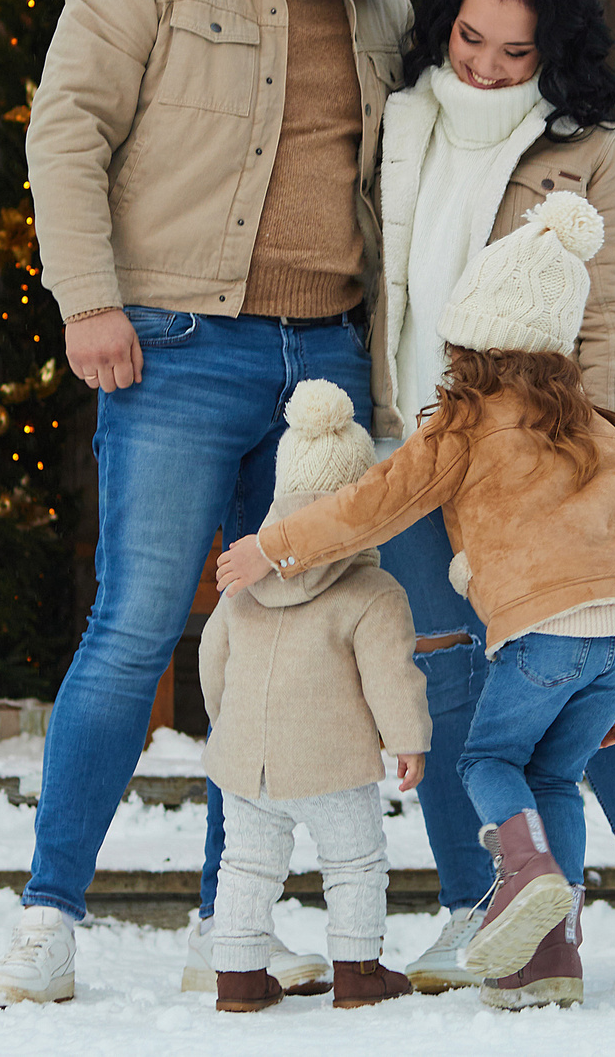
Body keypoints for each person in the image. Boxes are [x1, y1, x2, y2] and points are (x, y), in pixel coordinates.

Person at [0, 0, 413, 1010]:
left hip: (325, 362)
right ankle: (47, 918)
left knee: (285, 643)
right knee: (135, 627)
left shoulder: (383, 9)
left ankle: (229, 929)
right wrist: (86, 299)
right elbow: (66, 130)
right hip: (175, 345)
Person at [370, 0, 615, 998]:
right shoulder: (397, 123)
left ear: (554, 50)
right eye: (470, 39)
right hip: (418, 442)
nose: (483, 65)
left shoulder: (590, 151)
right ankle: (475, 907)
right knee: (451, 687)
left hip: (542, 463)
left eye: (513, 51)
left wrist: (595, 462)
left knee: (591, 677)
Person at [218, 191, 615, 1009]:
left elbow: (371, 504)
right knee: (556, 779)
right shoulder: (598, 425)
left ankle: (525, 869)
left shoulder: (462, 422)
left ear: (467, 334)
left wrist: (272, 546)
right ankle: (551, 961)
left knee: (490, 761)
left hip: (545, 630)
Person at [198, 381, 429, 1013]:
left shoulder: (240, 587)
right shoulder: (373, 592)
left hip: (250, 763)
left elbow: (210, 659)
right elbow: (391, 675)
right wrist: (408, 739)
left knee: (245, 864)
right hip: (334, 764)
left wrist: (228, 723)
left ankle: (238, 979)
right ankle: (358, 972)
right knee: (355, 863)